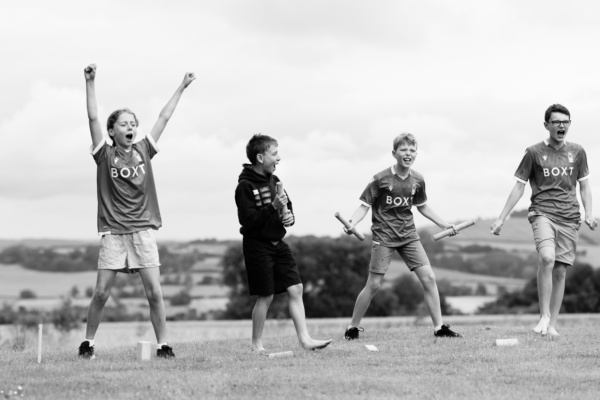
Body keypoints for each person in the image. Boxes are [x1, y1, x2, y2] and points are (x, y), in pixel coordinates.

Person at [78, 64, 195, 359]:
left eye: (133, 123)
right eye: (124, 124)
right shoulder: (104, 154)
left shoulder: (144, 149)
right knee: (102, 293)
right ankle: (88, 343)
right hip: (113, 232)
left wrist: (181, 87)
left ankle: (163, 345)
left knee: (155, 293)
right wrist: (90, 82)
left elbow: (164, 117)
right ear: (111, 131)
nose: (130, 127)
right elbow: (92, 116)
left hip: (143, 230)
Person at [343, 133, 462, 340]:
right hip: (384, 236)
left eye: (412, 150)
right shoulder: (380, 179)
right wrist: (353, 222)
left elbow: (422, 206)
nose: (408, 154)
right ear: (394, 153)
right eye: (404, 150)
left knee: (430, 278)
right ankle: (352, 327)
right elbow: (364, 206)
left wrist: (444, 224)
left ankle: (439, 328)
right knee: (374, 285)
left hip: (408, 235)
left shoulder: (418, 179)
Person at [491, 104, 596, 337]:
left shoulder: (578, 152)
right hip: (542, 213)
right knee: (547, 258)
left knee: (560, 270)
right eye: (557, 122)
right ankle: (544, 315)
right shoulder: (533, 152)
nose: (562, 126)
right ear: (546, 124)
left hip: (569, 217)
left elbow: (585, 186)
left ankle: (552, 325)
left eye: (566, 121)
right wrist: (501, 218)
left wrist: (589, 213)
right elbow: (519, 186)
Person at [235, 134, 333, 352]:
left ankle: (305, 340)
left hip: (278, 243)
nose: (279, 158)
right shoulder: (245, 186)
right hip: (257, 246)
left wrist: (289, 217)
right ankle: (256, 345)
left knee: (296, 287)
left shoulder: (276, 181)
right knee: (266, 296)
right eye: (274, 153)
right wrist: (272, 206)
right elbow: (248, 221)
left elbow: (287, 209)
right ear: (260, 157)